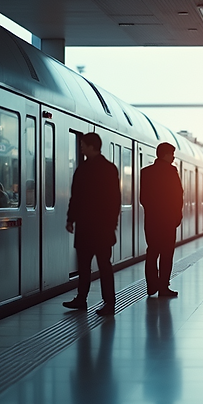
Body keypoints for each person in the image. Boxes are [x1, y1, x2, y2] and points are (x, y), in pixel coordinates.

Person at [63, 132, 121, 315]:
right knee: (99, 265)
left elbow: (78, 198)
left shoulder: (85, 169)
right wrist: (70, 219)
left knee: (93, 266)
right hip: (97, 227)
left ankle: (95, 301)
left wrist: (72, 219)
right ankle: (98, 301)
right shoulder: (107, 168)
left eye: (83, 144)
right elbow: (114, 200)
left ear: (91, 146)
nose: (80, 147)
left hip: (94, 227)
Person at [139, 142, 184, 298]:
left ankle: (151, 286)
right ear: (165, 155)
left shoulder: (145, 172)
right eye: (172, 154)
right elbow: (178, 196)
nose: (173, 157)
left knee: (152, 252)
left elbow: (143, 198)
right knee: (166, 254)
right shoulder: (172, 172)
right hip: (168, 221)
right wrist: (177, 216)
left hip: (151, 221)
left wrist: (152, 212)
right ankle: (163, 287)